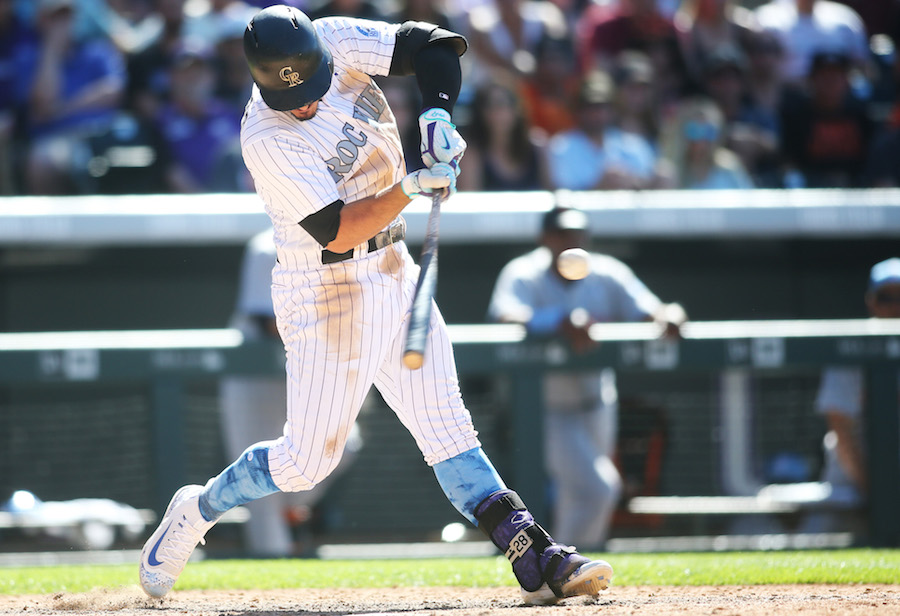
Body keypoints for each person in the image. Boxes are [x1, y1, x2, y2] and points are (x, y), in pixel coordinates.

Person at [139, 4, 612, 606]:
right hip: (326, 291)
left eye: (310, 88)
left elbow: (435, 44)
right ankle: (199, 509)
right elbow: (336, 231)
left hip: (394, 267)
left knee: (447, 428)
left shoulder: (336, 40)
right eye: (292, 98)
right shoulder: (265, 136)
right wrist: (414, 183)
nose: (305, 103)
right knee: (307, 462)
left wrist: (439, 112)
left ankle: (537, 555)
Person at [487, 205, 687, 550]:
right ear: (545, 238)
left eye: (577, 234)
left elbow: (652, 309)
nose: (571, 241)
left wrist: (669, 314)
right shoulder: (523, 273)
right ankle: (570, 561)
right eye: (562, 234)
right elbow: (504, 314)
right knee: (599, 488)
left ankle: (564, 572)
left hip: (597, 402)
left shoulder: (607, 272)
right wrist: (557, 320)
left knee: (577, 493)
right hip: (546, 407)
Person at [219, 228, 362, 556]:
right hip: (256, 376)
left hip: (306, 369)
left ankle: (291, 502)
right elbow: (272, 323)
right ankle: (272, 579)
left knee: (344, 443)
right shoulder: (265, 247)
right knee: (261, 484)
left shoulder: (344, 238)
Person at [805, 257, 900, 535]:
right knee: (817, 554)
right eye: (886, 298)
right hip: (849, 488)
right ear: (871, 301)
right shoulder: (849, 352)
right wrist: (879, 497)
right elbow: (842, 433)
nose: (894, 307)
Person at [546, 70, 664, 190]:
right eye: (590, 107)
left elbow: (647, 181)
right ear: (578, 109)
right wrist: (600, 188)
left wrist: (633, 183)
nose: (598, 113)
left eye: (603, 106)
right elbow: (562, 197)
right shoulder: (560, 148)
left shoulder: (634, 145)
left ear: (613, 109)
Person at [658, 96, 755, 189]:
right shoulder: (671, 172)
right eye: (694, 131)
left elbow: (749, 200)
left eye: (709, 131)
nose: (701, 140)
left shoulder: (730, 168)